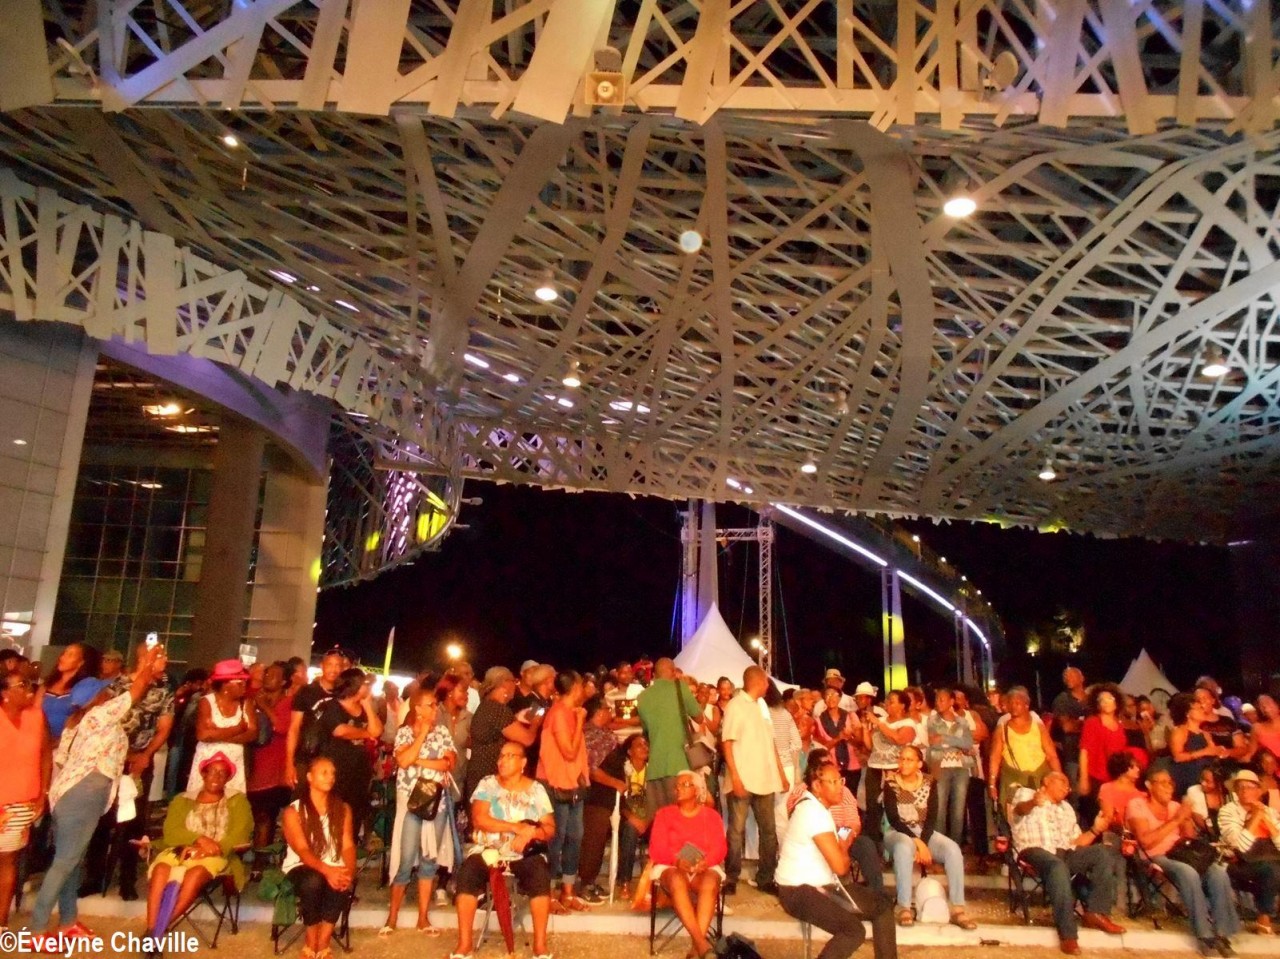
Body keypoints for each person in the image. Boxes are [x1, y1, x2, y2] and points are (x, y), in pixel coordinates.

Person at [30, 645, 166, 939]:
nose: (109, 693)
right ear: (96, 697)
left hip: (66, 792)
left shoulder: (74, 722)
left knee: (71, 859)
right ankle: (37, 928)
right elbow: (138, 689)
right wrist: (149, 661)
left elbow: (62, 759)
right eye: (104, 691)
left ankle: (68, 921)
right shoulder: (101, 714)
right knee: (65, 862)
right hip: (85, 793)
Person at [81, 642, 176, 900]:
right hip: (110, 760)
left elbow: (164, 728)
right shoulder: (118, 685)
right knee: (101, 819)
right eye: (160, 656)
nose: (165, 661)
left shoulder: (164, 690)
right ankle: (94, 876)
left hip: (140, 763)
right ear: (144, 658)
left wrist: (145, 754)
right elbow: (102, 719)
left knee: (134, 822)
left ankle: (127, 879)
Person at [778, 760, 897, 959]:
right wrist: (843, 844)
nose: (840, 786)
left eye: (840, 780)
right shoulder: (812, 813)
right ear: (817, 786)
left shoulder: (817, 807)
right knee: (853, 931)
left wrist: (843, 840)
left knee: (882, 905)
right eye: (833, 782)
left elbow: (842, 837)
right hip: (798, 891)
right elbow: (841, 867)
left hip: (821, 886)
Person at [451, 741, 556, 959]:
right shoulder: (488, 784)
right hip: (489, 849)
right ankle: (464, 945)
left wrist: (530, 833)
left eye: (510, 756)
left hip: (524, 853)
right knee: (468, 873)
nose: (502, 761)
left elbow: (549, 828)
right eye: (501, 756)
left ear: (523, 763)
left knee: (540, 873)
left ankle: (540, 946)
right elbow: (480, 819)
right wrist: (517, 828)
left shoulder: (536, 790)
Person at [1008, 771, 1125, 954]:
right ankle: (1068, 935)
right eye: (1062, 782)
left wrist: (1095, 830)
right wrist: (1033, 802)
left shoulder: (1067, 808)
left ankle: (1095, 912)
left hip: (1064, 853)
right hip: (1034, 850)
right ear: (1047, 781)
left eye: (1069, 786)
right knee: (1057, 866)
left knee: (1102, 852)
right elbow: (1018, 811)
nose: (1066, 788)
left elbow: (1076, 842)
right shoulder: (1027, 793)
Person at [1127, 768, 1240, 957]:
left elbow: (1189, 838)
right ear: (1149, 785)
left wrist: (1187, 819)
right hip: (1155, 856)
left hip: (1182, 854)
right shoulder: (1137, 805)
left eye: (1170, 783)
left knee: (1218, 872)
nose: (1169, 787)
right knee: (1188, 872)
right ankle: (1204, 935)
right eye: (1163, 782)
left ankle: (1222, 933)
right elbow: (1146, 841)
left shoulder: (1175, 806)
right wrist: (1177, 819)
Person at [144, 752, 253, 936]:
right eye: (212, 771)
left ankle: (158, 931)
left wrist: (213, 849)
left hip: (216, 854)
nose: (217, 776)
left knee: (195, 874)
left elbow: (240, 834)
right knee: (161, 869)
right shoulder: (182, 800)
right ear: (203, 774)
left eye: (223, 773)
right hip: (180, 850)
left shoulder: (237, 801)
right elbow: (171, 831)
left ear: (228, 779)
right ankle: (151, 927)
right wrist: (200, 840)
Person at [382, 685, 455, 936]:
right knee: (405, 859)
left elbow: (448, 763)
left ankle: (423, 917)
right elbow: (402, 760)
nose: (436, 709)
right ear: (418, 708)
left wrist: (417, 760)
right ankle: (392, 916)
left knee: (429, 860)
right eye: (431, 705)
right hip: (411, 803)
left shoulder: (443, 732)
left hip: (436, 803)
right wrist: (422, 735)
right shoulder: (405, 732)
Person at [881, 745, 976, 929]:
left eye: (909, 759)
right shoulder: (891, 783)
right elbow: (894, 819)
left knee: (953, 849)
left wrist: (923, 842)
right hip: (898, 832)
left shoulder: (929, 782)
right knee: (903, 846)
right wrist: (918, 843)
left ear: (919, 763)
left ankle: (958, 909)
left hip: (924, 831)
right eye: (902, 759)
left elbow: (932, 817)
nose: (904, 763)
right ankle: (904, 907)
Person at [281, 756, 356, 959]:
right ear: (309, 777)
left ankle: (323, 942)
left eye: (332, 773)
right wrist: (327, 870)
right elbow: (303, 850)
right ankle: (311, 939)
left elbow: (348, 845)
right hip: (301, 866)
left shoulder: (342, 809)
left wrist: (348, 872)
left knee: (340, 879)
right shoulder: (293, 811)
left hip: (333, 863)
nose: (330, 777)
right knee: (313, 880)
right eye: (324, 772)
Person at [649, 770, 727, 959]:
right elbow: (656, 848)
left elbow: (720, 847)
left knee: (710, 881)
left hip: (704, 866)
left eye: (684, 785)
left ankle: (695, 949)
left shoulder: (712, 816)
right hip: (671, 865)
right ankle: (701, 944)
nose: (678, 789)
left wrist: (706, 862)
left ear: (697, 790)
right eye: (677, 785)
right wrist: (676, 861)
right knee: (676, 880)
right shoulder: (664, 814)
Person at [721, 665, 785, 895]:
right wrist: (735, 778)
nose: (768, 686)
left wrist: (780, 773)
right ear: (757, 681)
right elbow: (727, 743)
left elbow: (771, 742)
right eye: (766, 681)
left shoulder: (762, 706)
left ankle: (766, 877)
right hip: (743, 778)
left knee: (768, 831)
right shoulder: (736, 705)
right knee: (736, 831)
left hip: (765, 779)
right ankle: (731, 877)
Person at [786, 751, 885, 893]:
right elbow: (796, 823)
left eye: (831, 763)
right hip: (814, 839)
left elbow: (854, 822)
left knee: (865, 844)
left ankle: (877, 893)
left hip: (843, 834)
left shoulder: (843, 791)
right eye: (824, 765)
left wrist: (842, 836)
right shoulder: (801, 794)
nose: (830, 767)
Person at [0, 667, 49, 932]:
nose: (29, 689)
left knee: (8, 859)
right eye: (22, 685)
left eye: (30, 684)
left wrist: (43, 792)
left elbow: (45, 755)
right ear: (5, 693)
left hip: (21, 801)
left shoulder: (36, 716)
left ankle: (1, 922)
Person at [537, 669, 590, 912]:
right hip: (555, 782)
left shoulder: (571, 711)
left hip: (573, 783)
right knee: (555, 838)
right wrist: (579, 723)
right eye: (581, 685)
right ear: (575, 687)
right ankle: (547, 893)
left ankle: (568, 890)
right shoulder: (558, 713)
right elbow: (568, 751)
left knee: (574, 837)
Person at [316, 668, 383, 842]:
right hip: (337, 770)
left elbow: (377, 730)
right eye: (365, 683)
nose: (368, 687)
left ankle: (348, 848)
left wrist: (367, 706)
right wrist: (366, 733)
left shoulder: (363, 708)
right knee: (333, 814)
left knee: (354, 815)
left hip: (358, 771)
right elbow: (340, 730)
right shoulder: (333, 706)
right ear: (355, 686)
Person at [1219, 769, 1280, 935]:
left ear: (1258, 791)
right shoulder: (1228, 811)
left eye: (1250, 787)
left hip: (1270, 859)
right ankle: (1264, 919)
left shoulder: (1270, 812)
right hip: (1239, 863)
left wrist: (1265, 819)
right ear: (1236, 791)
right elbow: (1240, 847)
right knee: (1271, 870)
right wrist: (1255, 818)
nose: (1245, 790)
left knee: (1273, 868)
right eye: (1241, 787)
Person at [466, 666, 541, 800]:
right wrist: (536, 722)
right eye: (514, 681)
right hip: (491, 780)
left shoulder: (486, 706)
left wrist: (516, 718)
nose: (515, 685)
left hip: (478, 775)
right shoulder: (498, 710)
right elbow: (527, 739)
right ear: (504, 683)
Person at [636, 657, 702, 809]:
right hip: (679, 765)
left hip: (654, 768)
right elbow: (699, 717)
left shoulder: (642, 697)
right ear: (673, 671)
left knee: (660, 817)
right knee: (680, 815)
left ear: (655, 674)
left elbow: (646, 729)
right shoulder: (680, 688)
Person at [187, 659, 258, 796]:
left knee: (232, 801)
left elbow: (252, 734)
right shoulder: (206, 702)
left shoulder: (246, 703)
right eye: (240, 683)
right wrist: (238, 729)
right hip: (207, 761)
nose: (244, 686)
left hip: (234, 761)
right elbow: (203, 735)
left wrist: (217, 734)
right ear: (225, 685)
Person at [988, 686, 1061, 810]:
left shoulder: (1038, 726)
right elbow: (995, 757)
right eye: (1011, 703)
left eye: (1017, 703)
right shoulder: (1002, 729)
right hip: (1014, 780)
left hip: (1040, 777)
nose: (1014, 706)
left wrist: (1059, 778)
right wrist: (992, 783)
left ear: (1026, 705)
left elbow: (1051, 755)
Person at [247, 661, 293, 851]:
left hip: (274, 769)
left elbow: (282, 727)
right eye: (267, 674)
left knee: (266, 815)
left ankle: (261, 858)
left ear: (283, 682)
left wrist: (264, 706)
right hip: (254, 764)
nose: (267, 677)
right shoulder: (253, 698)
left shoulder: (288, 702)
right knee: (255, 813)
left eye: (273, 675)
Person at [286, 648, 347, 789]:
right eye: (330, 664)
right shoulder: (306, 692)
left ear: (343, 668)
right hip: (306, 758)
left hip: (334, 759)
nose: (334, 669)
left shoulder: (344, 694)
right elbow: (294, 728)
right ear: (322, 666)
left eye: (338, 665)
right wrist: (289, 763)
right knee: (302, 797)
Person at [863, 690, 916, 845]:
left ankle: (898, 844)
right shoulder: (881, 720)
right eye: (887, 701)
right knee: (873, 808)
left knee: (894, 809)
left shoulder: (908, 723)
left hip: (895, 769)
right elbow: (870, 746)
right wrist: (865, 728)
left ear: (902, 706)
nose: (887, 704)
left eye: (891, 701)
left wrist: (879, 723)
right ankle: (874, 846)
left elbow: (899, 739)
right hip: (874, 768)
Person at [926, 687, 974, 843]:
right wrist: (957, 743)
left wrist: (945, 739)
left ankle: (955, 846)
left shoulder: (962, 721)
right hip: (940, 766)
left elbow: (968, 744)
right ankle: (940, 846)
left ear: (951, 702)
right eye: (937, 699)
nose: (938, 703)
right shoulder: (932, 720)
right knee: (940, 809)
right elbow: (934, 743)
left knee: (958, 810)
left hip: (961, 768)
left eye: (942, 700)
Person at [1078, 684, 1129, 811]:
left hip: (1114, 778)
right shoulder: (1092, 722)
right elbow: (1084, 751)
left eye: (1109, 698)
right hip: (1095, 777)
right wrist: (1084, 779)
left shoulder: (1120, 726)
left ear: (1116, 703)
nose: (1105, 702)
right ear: (1097, 705)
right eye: (1101, 700)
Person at [1170, 693, 1230, 795]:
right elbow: (1177, 757)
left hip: (1207, 776)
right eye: (1198, 708)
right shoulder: (1180, 731)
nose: (1203, 710)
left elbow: (1211, 751)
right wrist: (1204, 752)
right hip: (1189, 775)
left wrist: (1219, 752)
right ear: (1187, 713)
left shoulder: (1205, 733)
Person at [41, 642, 102, 741]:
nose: (62, 658)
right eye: (64, 653)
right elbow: (35, 711)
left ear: (81, 662)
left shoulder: (86, 687)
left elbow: (88, 719)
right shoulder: (48, 683)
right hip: (41, 739)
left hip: (68, 741)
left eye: (70, 655)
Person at [815, 687, 862, 796]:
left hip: (852, 765)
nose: (831, 698)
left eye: (834, 694)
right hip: (831, 767)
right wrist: (839, 737)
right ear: (823, 699)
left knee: (851, 797)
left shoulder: (851, 716)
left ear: (840, 698)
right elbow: (822, 748)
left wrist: (849, 737)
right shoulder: (819, 720)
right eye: (828, 695)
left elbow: (860, 743)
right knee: (834, 798)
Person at [1049, 668, 1089, 796]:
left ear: (1082, 678)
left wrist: (1078, 722)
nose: (1067, 679)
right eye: (1065, 677)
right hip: (1072, 753)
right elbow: (1067, 727)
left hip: (1091, 753)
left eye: (1071, 675)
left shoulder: (1091, 699)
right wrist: (1086, 724)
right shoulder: (1062, 700)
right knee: (1074, 793)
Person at [435, 672, 472, 790]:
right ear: (449, 692)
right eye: (462, 691)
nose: (466, 695)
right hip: (436, 776)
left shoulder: (468, 717)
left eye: (467, 692)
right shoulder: (435, 713)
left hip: (459, 779)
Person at [1097, 752, 1145, 833]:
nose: (1138, 769)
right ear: (1122, 768)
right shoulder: (1107, 788)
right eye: (1132, 767)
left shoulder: (1142, 795)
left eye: (1137, 766)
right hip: (1115, 834)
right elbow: (1108, 818)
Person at [1185, 765, 1230, 839]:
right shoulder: (1194, 791)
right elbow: (1199, 820)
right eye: (1202, 779)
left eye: (1208, 781)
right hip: (1204, 836)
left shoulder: (1229, 795)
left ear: (1218, 783)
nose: (1203, 783)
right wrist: (1218, 837)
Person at [1247, 695, 1280, 763]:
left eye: (1267, 702)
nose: (1264, 706)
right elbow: (1251, 754)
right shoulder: (1257, 728)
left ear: (1277, 704)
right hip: (1271, 767)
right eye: (1261, 705)